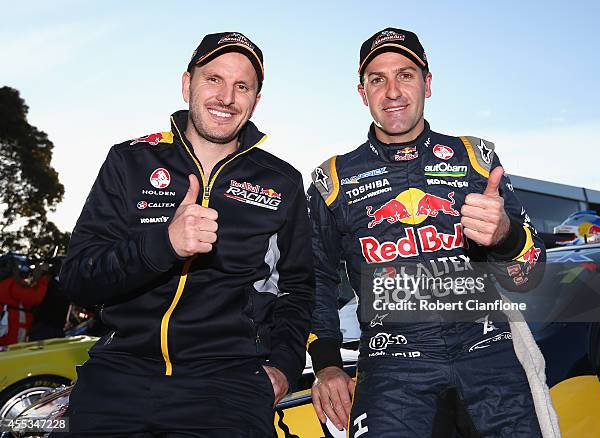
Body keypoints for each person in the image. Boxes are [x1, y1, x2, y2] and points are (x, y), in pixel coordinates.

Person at [58, 31, 313, 437]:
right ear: (186, 84)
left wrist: (282, 367)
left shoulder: (281, 181)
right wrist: (164, 245)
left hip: (229, 390)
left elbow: (298, 289)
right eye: (213, 79)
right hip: (118, 380)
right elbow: (78, 279)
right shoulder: (130, 160)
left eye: (241, 86)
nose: (226, 97)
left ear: (255, 101)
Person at [307, 28, 560, 437]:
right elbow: (314, 280)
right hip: (392, 368)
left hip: (489, 356)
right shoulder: (332, 179)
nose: (392, 91)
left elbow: (530, 276)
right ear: (362, 92)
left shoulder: (477, 160)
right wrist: (327, 363)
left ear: (427, 83)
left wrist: (506, 236)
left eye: (405, 75)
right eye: (377, 79)